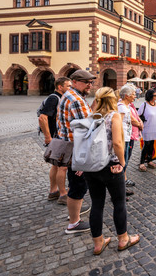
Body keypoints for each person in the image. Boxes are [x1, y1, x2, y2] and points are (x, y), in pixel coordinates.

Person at [84, 87, 140, 255]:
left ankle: (98, 243)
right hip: (111, 167)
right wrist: (122, 164)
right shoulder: (113, 116)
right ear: (113, 100)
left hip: (92, 167)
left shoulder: (90, 117)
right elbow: (117, 143)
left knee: (97, 204)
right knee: (119, 202)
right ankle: (123, 239)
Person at [58, 69, 95, 234]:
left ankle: (75, 212)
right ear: (75, 82)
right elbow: (88, 128)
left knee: (76, 184)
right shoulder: (76, 100)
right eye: (86, 82)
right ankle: (74, 223)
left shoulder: (69, 95)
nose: (90, 85)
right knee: (78, 186)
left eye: (91, 82)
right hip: (77, 150)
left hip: (69, 146)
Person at [38, 77, 71, 202]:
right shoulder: (54, 98)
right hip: (56, 137)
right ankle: (63, 194)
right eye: (68, 86)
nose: (70, 88)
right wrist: (48, 137)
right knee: (62, 166)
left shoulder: (60, 98)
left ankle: (53, 192)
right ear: (59, 87)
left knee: (56, 166)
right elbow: (42, 118)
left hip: (57, 137)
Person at [117, 85, 137, 194]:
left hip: (127, 137)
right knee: (122, 163)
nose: (134, 96)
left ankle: (121, 187)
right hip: (123, 139)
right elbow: (118, 124)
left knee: (124, 162)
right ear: (126, 96)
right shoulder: (121, 107)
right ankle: (120, 190)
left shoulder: (126, 106)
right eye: (133, 94)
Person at [138, 89, 156, 172]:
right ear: (150, 96)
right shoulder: (144, 105)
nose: (155, 97)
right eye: (154, 95)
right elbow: (138, 115)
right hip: (146, 127)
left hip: (154, 127)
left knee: (152, 144)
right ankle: (142, 162)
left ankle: (150, 160)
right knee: (146, 145)